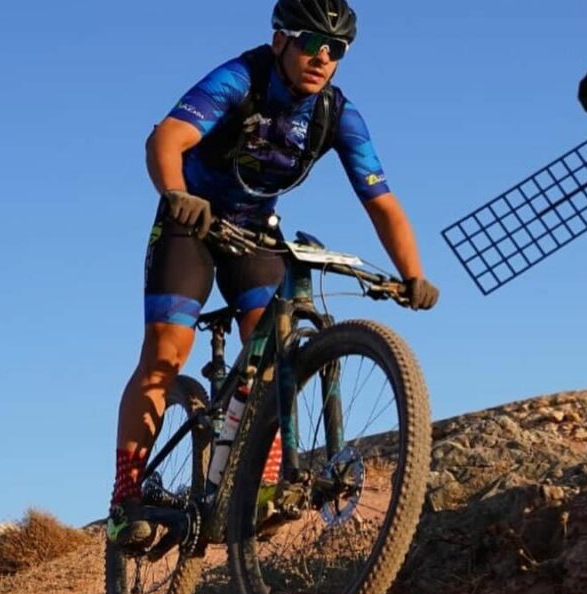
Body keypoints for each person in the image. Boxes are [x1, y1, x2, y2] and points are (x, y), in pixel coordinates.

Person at [108, 0, 439, 549]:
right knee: (166, 354)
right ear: (282, 39)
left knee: (274, 351)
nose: (323, 57)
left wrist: (411, 275)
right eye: (312, 42)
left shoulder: (337, 113)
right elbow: (166, 139)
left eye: (337, 49)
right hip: (191, 222)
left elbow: (380, 200)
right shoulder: (242, 78)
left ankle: (259, 485)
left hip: (256, 232)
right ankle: (126, 498)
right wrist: (176, 196)